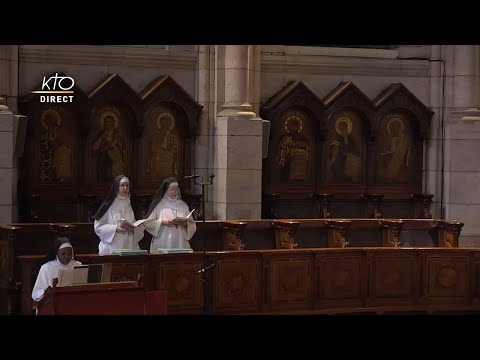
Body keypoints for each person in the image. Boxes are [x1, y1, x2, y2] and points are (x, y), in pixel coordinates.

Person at [93, 175, 144, 254]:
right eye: (122, 185)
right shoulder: (108, 204)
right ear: (117, 186)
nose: (125, 188)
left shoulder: (134, 204)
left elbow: (141, 226)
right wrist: (115, 228)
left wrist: (133, 229)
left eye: (127, 185)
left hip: (130, 246)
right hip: (112, 247)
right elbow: (98, 227)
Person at [144, 177, 197, 252]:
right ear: (166, 191)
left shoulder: (183, 205)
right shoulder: (159, 205)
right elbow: (148, 223)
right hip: (163, 241)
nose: (175, 192)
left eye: (176, 189)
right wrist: (162, 221)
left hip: (180, 241)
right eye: (172, 189)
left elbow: (192, 224)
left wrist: (185, 224)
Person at [31, 237, 82, 305]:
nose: (67, 256)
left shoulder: (78, 265)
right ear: (57, 253)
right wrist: (48, 293)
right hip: (52, 303)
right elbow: (37, 292)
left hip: (74, 302)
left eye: (69, 254)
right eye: (63, 254)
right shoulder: (46, 268)